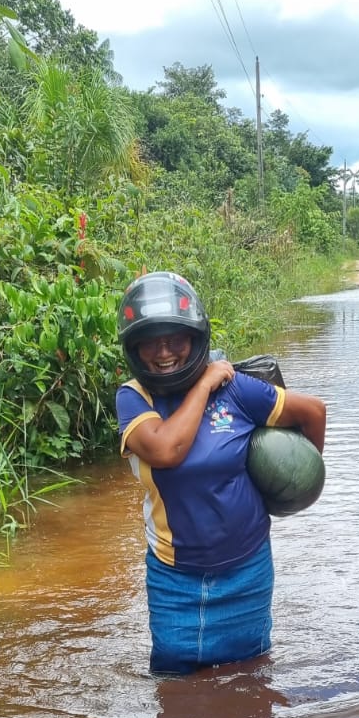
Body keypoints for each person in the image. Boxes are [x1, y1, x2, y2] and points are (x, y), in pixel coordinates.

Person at [115, 270, 326, 675]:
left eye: (175, 339)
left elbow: (313, 412)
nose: (164, 353)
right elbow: (166, 450)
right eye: (150, 342)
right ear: (134, 348)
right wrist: (204, 384)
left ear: (196, 338)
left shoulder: (237, 390)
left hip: (248, 569)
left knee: (252, 678)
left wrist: (296, 487)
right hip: (174, 577)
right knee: (173, 683)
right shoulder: (134, 398)